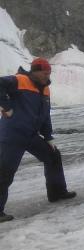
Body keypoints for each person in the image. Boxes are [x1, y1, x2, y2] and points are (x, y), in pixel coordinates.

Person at [0, 58, 76, 222]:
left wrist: (48, 136)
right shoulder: (19, 80)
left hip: (30, 135)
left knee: (53, 156)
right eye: (44, 73)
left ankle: (57, 192)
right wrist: (5, 106)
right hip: (12, 134)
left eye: (49, 73)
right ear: (34, 71)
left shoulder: (45, 89)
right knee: (5, 171)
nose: (47, 76)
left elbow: (45, 115)